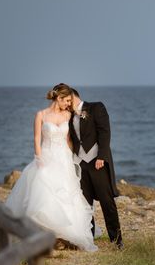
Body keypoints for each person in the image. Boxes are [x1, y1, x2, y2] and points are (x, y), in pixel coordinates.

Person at [6, 84, 97, 251]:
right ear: (59, 98)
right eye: (67, 100)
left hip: (63, 158)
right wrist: (39, 158)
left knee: (67, 193)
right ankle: (47, 235)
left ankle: (68, 235)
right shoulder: (41, 115)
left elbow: (69, 140)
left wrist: (74, 158)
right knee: (44, 194)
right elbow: (36, 138)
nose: (69, 104)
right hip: (47, 157)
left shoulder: (68, 115)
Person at [68, 87, 123, 248]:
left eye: (66, 100)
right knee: (85, 203)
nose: (65, 104)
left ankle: (117, 240)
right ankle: (88, 237)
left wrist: (102, 157)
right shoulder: (68, 116)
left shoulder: (96, 107)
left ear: (72, 97)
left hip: (97, 162)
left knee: (107, 202)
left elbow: (105, 133)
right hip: (80, 164)